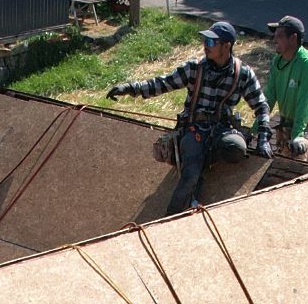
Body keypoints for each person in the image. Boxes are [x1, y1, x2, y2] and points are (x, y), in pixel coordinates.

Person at [109, 19, 272, 217]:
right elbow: (161, 84)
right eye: (205, 41)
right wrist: (129, 89)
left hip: (221, 130)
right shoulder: (194, 69)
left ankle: (204, 161)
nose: (206, 46)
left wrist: (263, 138)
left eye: (211, 42)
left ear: (227, 46)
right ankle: (170, 216)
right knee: (190, 175)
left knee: (236, 148)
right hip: (193, 129)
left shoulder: (243, 74)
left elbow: (261, 106)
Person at [262, 15, 308, 161]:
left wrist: (297, 136)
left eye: (280, 36)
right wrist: (257, 128)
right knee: (278, 164)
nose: (274, 40)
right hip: (288, 123)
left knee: (299, 149)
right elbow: (269, 97)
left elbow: (304, 104)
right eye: (274, 36)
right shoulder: (278, 61)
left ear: (293, 38)